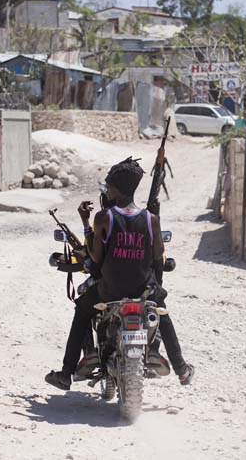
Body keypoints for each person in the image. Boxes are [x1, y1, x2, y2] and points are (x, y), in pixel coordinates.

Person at [45, 158, 193, 391]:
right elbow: (158, 254)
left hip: (109, 291)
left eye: (110, 186)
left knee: (82, 311)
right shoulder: (150, 219)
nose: (108, 190)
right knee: (161, 312)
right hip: (144, 290)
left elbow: (94, 257)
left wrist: (85, 224)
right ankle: (182, 369)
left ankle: (66, 374)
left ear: (116, 189)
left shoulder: (105, 217)